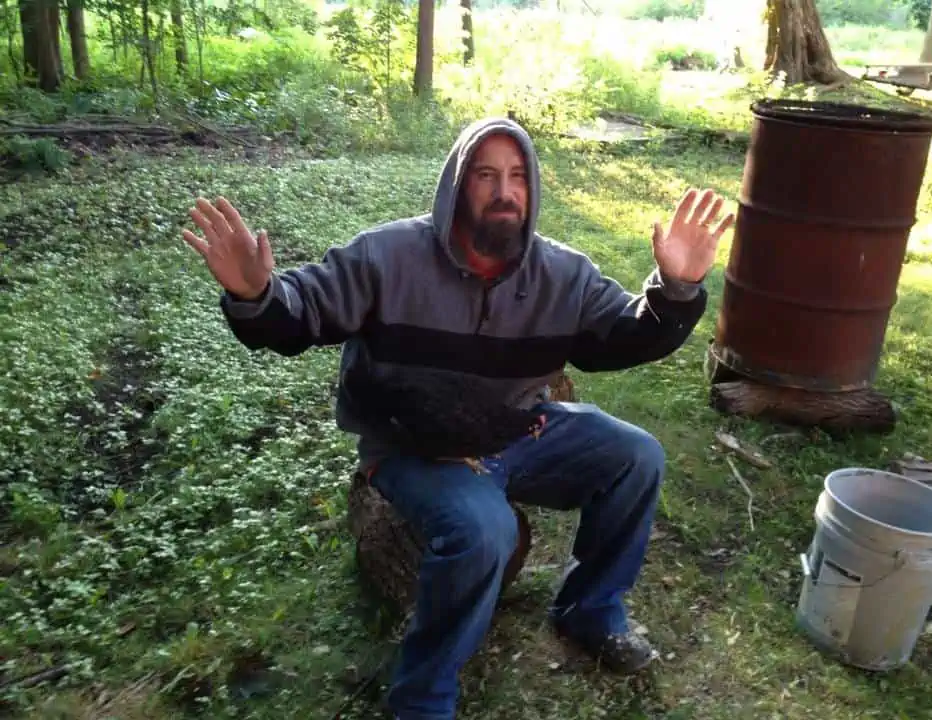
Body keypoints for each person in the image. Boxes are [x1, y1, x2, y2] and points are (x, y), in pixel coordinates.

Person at [182, 117, 734, 720]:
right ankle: (421, 699)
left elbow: (623, 338)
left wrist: (676, 289)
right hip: (413, 450)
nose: (506, 191)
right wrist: (256, 297)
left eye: (519, 176)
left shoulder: (561, 275)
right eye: (487, 175)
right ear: (455, 185)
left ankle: (592, 611)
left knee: (636, 456)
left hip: (519, 432)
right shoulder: (386, 257)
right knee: (483, 531)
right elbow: (303, 310)